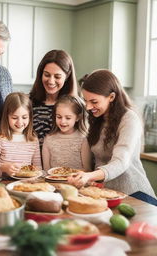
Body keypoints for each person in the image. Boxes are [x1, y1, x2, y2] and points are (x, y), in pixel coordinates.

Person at [68, 69, 156, 204]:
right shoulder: (98, 119)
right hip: (109, 193)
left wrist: (89, 176)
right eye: (86, 101)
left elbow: (121, 162)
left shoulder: (129, 119)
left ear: (112, 97)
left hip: (135, 194)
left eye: (94, 102)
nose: (88, 106)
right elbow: (98, 159)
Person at [0, 92, 42, 178]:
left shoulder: (33, 139)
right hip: (3, 184)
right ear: (6, 117)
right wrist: (2, 168)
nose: (20, 122)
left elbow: (38, 169)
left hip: (25, 186)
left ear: (30, 117)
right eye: (14, 118)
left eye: (24, 117)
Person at [29, 49, 78, 148]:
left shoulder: (76, 106)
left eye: (57, 77)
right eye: (47, 75)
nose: (51, 81)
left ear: (67, 76)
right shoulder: (29, 102)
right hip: (31, 162)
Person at [42, 95, 92, 171]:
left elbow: (87, 169)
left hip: (76, 181)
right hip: (53, 181)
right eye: (59, 117)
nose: (62, 121)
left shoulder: (82, 139)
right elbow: (46, 169)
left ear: (77, 118)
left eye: (68, 118)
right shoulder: (48, 139)